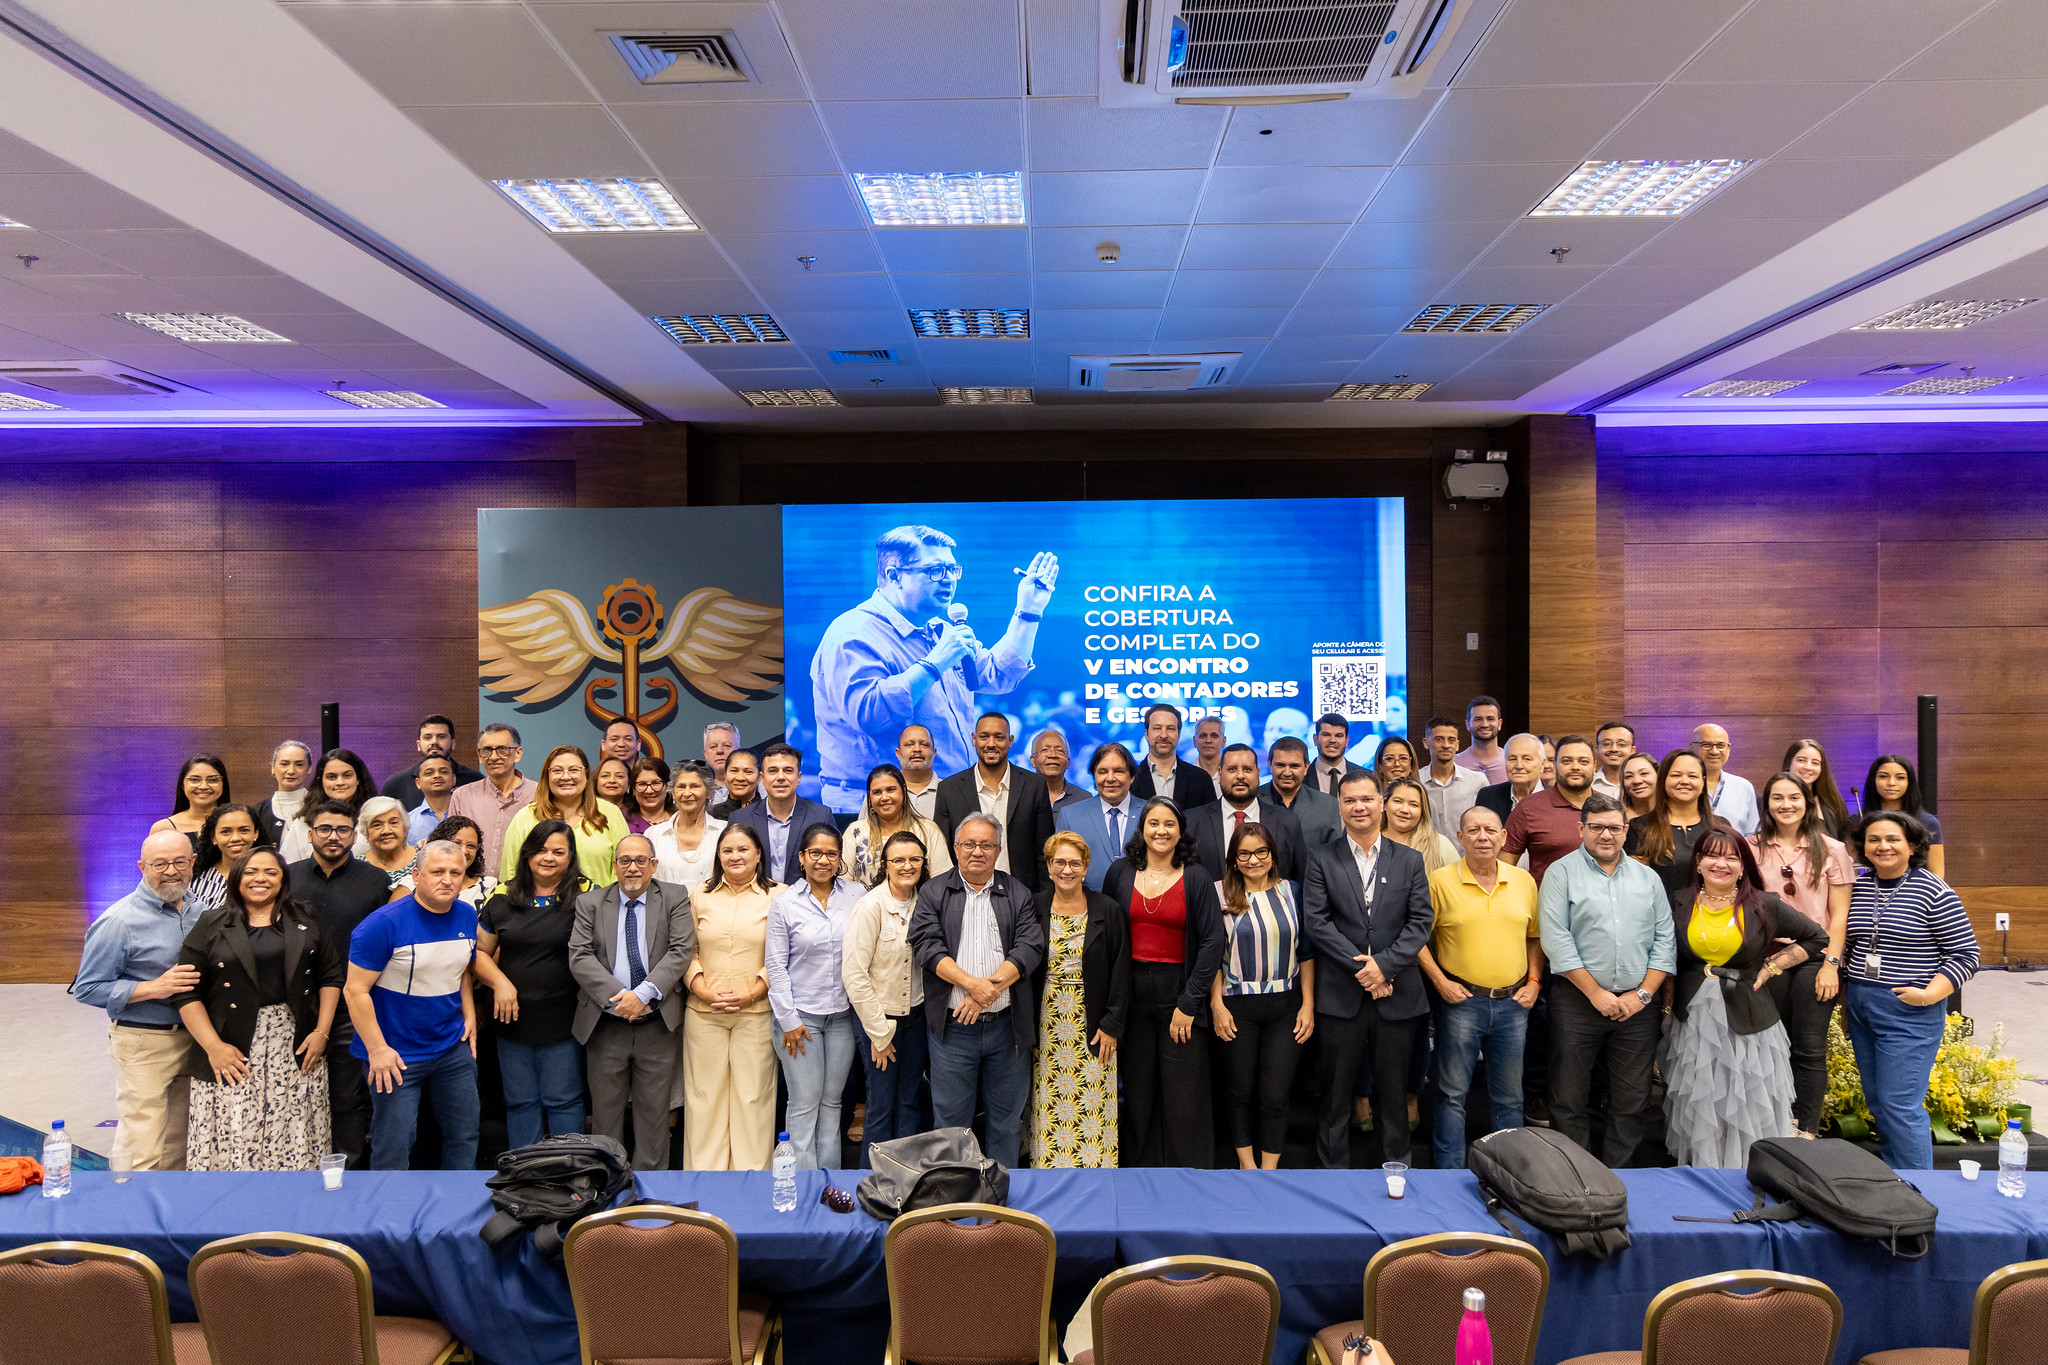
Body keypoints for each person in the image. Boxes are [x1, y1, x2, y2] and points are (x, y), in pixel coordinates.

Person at [810, 523, 1058, 808]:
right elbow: (870, 713)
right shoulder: (852, 634)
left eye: (953, 570)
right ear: (894, 575)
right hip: (880, 803)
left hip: (948, 797)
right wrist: (935, 663)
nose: (948, 579)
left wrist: (1029, 611)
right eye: (935, 570)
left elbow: (998, 675)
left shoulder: (940, 630)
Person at [346, 840, 516, 1170]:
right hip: (395, 1054)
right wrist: (378, 1050)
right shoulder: (382, 924)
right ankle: (389, 1204)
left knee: (465, 1135)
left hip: (451, 1048)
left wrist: (469, 1015)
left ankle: (457, 1203)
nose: (447, 880)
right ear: (416, 875)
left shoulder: (466, 914)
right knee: (395, 1144)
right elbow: (355, 991)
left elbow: (461, 969)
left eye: (455, 872)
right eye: (438, 872)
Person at [1663, 828, 1827, 1167]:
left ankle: (1749, 1175)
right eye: (1712, 855)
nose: (1720, 864)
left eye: (1731, 857)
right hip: (1694, 1021)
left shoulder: (1764, 904)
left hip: (1749, 1020)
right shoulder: (1678, 901)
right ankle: (1706, 1175)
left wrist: (1773, 965)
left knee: (1745, 1103)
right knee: (1702, 1102)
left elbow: (1817, 937)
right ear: (1698, 862)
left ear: (1742, 867)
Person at [172, 848, 343, 1171]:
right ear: (237, 878)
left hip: (294, 1041)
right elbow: (187, 992)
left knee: (293, 1124)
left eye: (270, 872)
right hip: (230, 1043)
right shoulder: (211, 923)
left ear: (283, 879)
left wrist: (322, 1032)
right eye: (251, 872)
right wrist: (213, 1047)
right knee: (235, 1126)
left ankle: (294, 1196)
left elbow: (331, 977)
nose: (260, 879)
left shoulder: (305, 919)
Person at [1302, 771, 1433, 1169]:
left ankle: (1396, 1173)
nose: (1358, 807)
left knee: (1393, 1096)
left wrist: (1385, 967)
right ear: (1339, 807)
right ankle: (1333, 1178)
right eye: (1349, 800)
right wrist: (1364, 970)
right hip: (1340, 995)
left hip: (1397, 995)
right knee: (1335, 1096)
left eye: (1366, 799)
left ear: (1381, 804)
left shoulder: (1409, 860)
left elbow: (1420, 922)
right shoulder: (1321, 858)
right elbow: (1317, 923)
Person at [1538, 794, 1675, 1168]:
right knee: (1568, 1097)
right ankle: (1577, 1176)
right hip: (1576, 1001)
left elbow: (1665, 941)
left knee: (1632, 1099)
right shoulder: (1561, 873)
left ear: (1626, 830)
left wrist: (1642, 994)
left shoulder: (1648, 879)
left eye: (1614, 827)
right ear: (1580, 828)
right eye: (1596, 827)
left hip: (1637, 1008)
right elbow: (1556, 940)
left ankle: (1620, 1175)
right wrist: (1596, 993)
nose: (1606, 834)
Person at [909, 812, 1045, 1169]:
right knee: (951, 1126)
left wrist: (989, 989)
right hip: (953, 1029)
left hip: (1007, 1028)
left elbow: (1030, 947)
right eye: (969, 844)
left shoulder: (1017, 892)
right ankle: (955, 1193)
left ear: (998, 851)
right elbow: (926, 947)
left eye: (986, 845)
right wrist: (972, 986)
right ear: (956, 848)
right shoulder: (934, 891)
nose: (977, 851)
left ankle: (1001, 1197)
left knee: (1006, 1123)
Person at [1842, 810, 1977, 1170]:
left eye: (1893, 839)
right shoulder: (1859, 886)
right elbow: (1851, 945)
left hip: (1909, 1010)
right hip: (1861, 1004)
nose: (1882, 846)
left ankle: (1919, 1191)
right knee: (1878, 1102)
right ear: (1863, 847)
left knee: (1899, 1105)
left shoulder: (1933, 890)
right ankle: (1896, 1183)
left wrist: (1928, 995)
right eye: (1873, 839)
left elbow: (1966, 954)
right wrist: (1847, 1002)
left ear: (1913, 846)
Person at [1104, 797, 1227, 1168]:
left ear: (1180, 831)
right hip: (1132, 994)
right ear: (1142, 828)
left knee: (1183, 1093)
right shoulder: (1120, 872)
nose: (1161, 831)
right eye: (1153, 823)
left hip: (1180, 992)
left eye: (1169, 824)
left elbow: (1212, 943)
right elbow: (1107, 935)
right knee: (1138, 1091)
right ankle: (1140, 1173)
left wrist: (1189, 1003)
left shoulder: (1197, 876)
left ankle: (1188, 1174)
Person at [72, 830, 203, 1170]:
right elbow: (88, 988)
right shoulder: (119, 921)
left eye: (179, 862)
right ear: (142, 867)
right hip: (144, 1042)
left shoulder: (200, 911)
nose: (171, 871)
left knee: (180, 1142)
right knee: (142, 1145)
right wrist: (153, 987)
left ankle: (169, 1204)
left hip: (194, 1038)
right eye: (160, 864)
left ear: (193, 862)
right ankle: (128, 1204)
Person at [1419, 805, 1541, 1169]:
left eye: (1490, 830)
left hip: (1514, 1002)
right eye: (1473, 831)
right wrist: (1441, 982)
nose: (1482, 837)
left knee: (1510, 1097)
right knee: (1451, 1094)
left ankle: (1511, 1172)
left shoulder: (1523, 881)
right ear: (1460, 838)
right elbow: (1416, 939)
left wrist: (1535, 981)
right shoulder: (1439, 881)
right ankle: (1448, 1174)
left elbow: (1534, 937)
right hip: (1461, 1002)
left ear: (1504, 837)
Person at [570, 833, 694, 1170]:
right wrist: (620, 999)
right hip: (606, 1024)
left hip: (657, 1024)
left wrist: (642, 994)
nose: (633, 867)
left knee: (655, 1117)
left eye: (641, 860)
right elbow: (580, 957)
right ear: (614, 866)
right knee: (606, 1116)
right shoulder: (591, 903)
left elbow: (681, 950)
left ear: (654, 865)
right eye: (624, 860)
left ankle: (650, 1190)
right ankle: (608, 1186)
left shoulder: (674, 897)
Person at [286, 798, 391, 1166]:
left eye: (343, 830)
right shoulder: (288, 877)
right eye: (325, 829)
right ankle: (301, 1165)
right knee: (295, 1090)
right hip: (295, 1003)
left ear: (354, 835)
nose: (333, 836)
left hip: (353, 1003)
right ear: (310, 834)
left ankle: (347, 1169)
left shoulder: (376, 881)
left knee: (348, 1095)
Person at [478, 821, 591, 1151]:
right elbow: (479, 953)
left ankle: (569, 1169)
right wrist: (500, 982)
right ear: (527, 854)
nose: (548, 858)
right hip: (511, 1018)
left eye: (558, 852)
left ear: (571, 857)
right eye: (541, 850)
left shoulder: (587, 897)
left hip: (564, 1018)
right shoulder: (502, 897)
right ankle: (524, 1171)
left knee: (563, 1100)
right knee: (520, 1102)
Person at [1752, 773, 1854, 1136]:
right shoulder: (1751, 847)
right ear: (1767, 805)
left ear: (1807, 802)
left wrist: (1831, 964)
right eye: (1777, 798)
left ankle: (1806, 1128)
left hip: (1817, 954)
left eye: (1794, 797)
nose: (1786, 805)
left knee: (1809, 1047)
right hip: (1769, 957)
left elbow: (1840, 914)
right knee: (1771, 1045)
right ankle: (1774, 1124)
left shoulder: (1832, 849)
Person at [1210, 821, 1311, 1170]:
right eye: (1244, 854)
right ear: (1234, 860)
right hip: (1235, 1005)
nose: (1253, 860)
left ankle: (1269, 1171)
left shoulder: (1292, 891)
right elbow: (1211, 954)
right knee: (1240, 1090)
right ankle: (1247, 1167)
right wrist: (1216, 1003)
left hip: (1287, 1005)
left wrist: (1308, 1005)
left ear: (1272, 854)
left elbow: (1307, 952)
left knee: (1275, 1094)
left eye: (1260, 851)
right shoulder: (1219, 893)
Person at [766, 824, 863, 1169]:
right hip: (800, 1018)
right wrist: (788, 1021)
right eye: (816, 853)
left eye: (831, 854)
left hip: (842, 1017)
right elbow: (775, 966)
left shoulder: (857, 895)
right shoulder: (784, 902)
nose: (823, 860)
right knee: (804, 1102)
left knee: (833, 1102)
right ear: (802, 857)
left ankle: (829, 1182)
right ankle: (803, 1185)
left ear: (839, 858)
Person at [1030, 830, 1129, 1168]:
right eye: (1059, 862)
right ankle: (1050, 1173)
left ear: (1086, 868)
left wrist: (1112, 1024)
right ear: (1049, 867)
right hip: (1047, 1021)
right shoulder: (1034, 907)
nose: (1067, 870)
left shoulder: (1107, 909)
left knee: (1092, 1102)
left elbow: (1121, 971)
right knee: (1050, 1102)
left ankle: (1095, 1174)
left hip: (1094, 1021)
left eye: (1075, 863)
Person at [683, 824, 778, 1170]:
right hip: (703, 1012)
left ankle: (750, 1180)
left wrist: (753, 993)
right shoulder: (699, 895)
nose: (735, 856)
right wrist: (702, 990)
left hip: (756, 1012)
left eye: (743, 849)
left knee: (753, 1098)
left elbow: (783, 954)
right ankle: (705, 1182)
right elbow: (686, 950)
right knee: (704, 1098)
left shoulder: (778, 895)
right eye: (727, 850)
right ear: (718, 856)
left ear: (758, 854)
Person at [844, 830, 934, 1163]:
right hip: (878, 1018)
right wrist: (879, 1034)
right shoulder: (870, 906)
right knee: (880, 1105)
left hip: (917, 1016)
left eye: (914, 859)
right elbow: (854, 975)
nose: (907, 866)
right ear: (885, 864)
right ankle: (873, 1181)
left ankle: (906, 1179)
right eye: (898, 860)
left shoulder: (928, 903)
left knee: (910, 1101)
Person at [934, 712, 1057, 891]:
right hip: (965, 894)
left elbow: (1045, 851)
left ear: (1010, 740)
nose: (991, 744)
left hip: (1023, 894)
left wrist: (1044, 899)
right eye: (984, 737)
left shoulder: (1034, 786)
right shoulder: (949, 789)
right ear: (974, 739)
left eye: (999, 737)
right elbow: (943, 853)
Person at [497, 745, 628, 886]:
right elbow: (510, 874)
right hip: (534, 900)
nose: (566, 777)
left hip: (600, 900)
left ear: (586, 774)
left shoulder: (610, 813)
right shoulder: (525, 817)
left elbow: (625, 866)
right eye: (557, 771)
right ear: (547, 776)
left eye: (574, 770)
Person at [1191, 743, 1309, 883]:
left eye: (1247, 769)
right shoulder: (1192, 822)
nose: (1240, 776)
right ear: (1220, 774)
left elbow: (1300, 880)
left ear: (1258, 774)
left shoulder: (1287, 822)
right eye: (1232, 769)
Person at [728, 743, 836, 887]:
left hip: (806, 899)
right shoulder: (740, 819)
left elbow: (832, 866)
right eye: (773, 771)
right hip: (756, 898)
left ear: (799, 777)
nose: (780, 777)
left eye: (788, 770)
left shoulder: (820, 816)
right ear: (762, 778)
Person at [1503, 735, 1599, 884]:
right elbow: (1504, 869)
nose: (1575, 766)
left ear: (1594, 766)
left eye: (1583, 761)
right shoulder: (1528, 807)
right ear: (1555, 765)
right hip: (1545, 897)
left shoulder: (1610, 808)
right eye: (1566, 761)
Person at [1626, 749, 1718, 904]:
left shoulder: (1720, 827)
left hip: (1714, 915)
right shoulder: (1641, 828)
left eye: (1692, 776)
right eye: (1676, 775)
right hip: (1662, 915)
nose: (1684, 781)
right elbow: (1637, 887)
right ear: (1663, 780)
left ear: (1703, 782)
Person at [448, 724, 537, 874]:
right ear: (479, 755)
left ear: (518, 753)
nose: (494, 757)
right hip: (472, 885)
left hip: (523, 886)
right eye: (487, 750)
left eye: (502, 749)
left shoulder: (539, 795)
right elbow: (451, 847)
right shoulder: (462, 796)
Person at [844, 763, 951, 885]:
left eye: (891, 790)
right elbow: (843, 884)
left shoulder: (928, 830)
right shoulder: (855, 832)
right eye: (877, 792)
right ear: (869, 797)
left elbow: (942, 883)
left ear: (903, 791)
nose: (884, 797)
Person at [1054, 742, 1140, 892]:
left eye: (1118, 771)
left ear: (1131, 776)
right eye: (1102, 772)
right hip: (1088, 903)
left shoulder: (1150, 813)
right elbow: (1061, 869)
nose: (1110, 778)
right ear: (1094, 776)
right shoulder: (1071, 816)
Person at [280, 749, 376, 862]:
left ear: (358, 779)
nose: (340, 782)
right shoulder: (304, 821)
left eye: (347, 775)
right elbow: (288, 866)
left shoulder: (374, 818)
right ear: (321, 780)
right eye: (331, 777)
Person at [647, 760, 727, 891]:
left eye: (695, 786)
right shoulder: (653, 835)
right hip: (665, 904)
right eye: (681, 787)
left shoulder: (724, 832)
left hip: (711, 903)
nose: (687, 793)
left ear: (709, 792)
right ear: (673, 793)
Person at [1863, 754, 1946, 880]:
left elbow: (1937, 874)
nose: (1891, 783)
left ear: (1909, 782)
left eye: (1900, 778)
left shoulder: (1928, 822)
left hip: (1917, 889)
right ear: (1873, 780)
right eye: (1883, 776)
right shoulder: (1857, 820)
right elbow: (1850, 866)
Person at [380, 714, 483, 809]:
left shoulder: (475, 781)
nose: (434, 742)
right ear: (418, 745)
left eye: (441, 737)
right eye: (428, 737)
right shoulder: (396, 784)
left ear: (453, 744)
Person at [391, 816, 497, 906]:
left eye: (471, 846)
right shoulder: (413, 882)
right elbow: (393, 918)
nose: (464, 851)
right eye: (457, 843)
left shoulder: (488, 886)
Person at [187, 804, 269, 918]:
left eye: (244, 830)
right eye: (226, 831)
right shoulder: (194, 877)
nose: (235, 838)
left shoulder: (270, 876)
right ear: (214, 837)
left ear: (256, 833)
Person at [1130, 703, 1214, 809]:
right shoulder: (1130, 779)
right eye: (1157, 728)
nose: (1164, 735)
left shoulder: (1201, 779)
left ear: (1179, 734)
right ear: (1146, 734)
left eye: (1170, 729)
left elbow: (1211, 818)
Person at [1262, 736, 1340, 849]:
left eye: (1294, 766)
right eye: (1280, 765)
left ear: (1306, 767)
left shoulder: (1328, 805)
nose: (1287, 773)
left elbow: (1334, 853)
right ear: (1270, 765)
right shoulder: (1252, 800)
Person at [1420, 717, 1487, 837]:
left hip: (1466, 849)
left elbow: (1488, 822)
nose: (1446, 745)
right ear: (1426, 743)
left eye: (1451, 740)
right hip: (1425, 848)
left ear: (1457, 745)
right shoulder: (1416, 781)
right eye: (1439, 739)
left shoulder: (1478, 781)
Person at [1383, 776, 1460, 875]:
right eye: (1397, 801)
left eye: (1413, 805)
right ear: (1384, 805)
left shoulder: (1440, 844)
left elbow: (1458, 881)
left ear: (1422, 811)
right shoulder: (1371, 841)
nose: (1404, 810)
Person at [1693, 723, 1759, 837]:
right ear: (1692, 747)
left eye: (1720, 745)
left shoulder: (1743, 787)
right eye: (1706, 745)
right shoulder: (1685, 786)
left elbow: (1752, 834)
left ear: (1728, 748)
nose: (1714, 751)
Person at [151, 754, 229, 846]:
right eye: (195, 780)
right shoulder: (164, 828)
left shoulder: (239, 822)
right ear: (182, 785)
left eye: (212, 780)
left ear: (223, 784)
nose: (203, 786)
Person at [1784, 739, 1852, 839]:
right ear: (1789, 763)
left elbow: (1843, 840)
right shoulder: (1769, 801)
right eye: (1801, 760)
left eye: (1815, 763)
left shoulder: (1833, 803)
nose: (1808, 767)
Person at [253, 740, 314, 850]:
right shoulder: (258, 812)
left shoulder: (322, 807)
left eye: (299, 765)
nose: (291, 771)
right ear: (273, 768)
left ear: (309, 768)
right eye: (284, 764)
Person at [1475, 733, 1544, 826]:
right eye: (1512, 759)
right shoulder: (1488, 796)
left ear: (1542, 764)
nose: (1519, 766)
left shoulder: (1557, 798)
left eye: (1527, 759)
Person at [357, 796, 418, 886]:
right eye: (377, 825)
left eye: (394, 823)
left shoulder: (424, 860)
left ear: (405, 828)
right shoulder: (357, 867)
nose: (386, 831)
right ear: (366, 832)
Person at [406, 755, 460, 845]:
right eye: (429, 773)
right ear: (418, 783)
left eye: (444, 772)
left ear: (454, 779)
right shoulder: (407, 822)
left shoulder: (467, 814)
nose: (437, 776)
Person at [1034, 728, 1091, 811]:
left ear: (1068, 762)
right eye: (1045, 750)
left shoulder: (1084, 799)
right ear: (1033, 761)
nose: (1053, 755)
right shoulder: (1020, 795)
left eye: (1059, 751)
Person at [1312, 713, 1369, 796]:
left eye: (1339, 736)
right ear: (1315, 739)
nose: (1332, 740)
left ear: (1346, 741)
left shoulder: (1367, 777)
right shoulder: (1301, 777)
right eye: (1326, 735)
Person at [1454, 697, 1507, 785]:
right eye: (1478, 719)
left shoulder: (1511, 762)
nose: (1485, 725)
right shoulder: (1454, 764)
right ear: (1468, 725)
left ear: (1499, 724)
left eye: (1490, 719)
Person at [896, 724, 942, 820]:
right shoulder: (882, 793)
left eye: (924, 744)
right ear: (898, 753)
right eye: (909, 744)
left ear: (934, 753)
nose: (917, 749)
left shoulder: (950, 792)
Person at [624, 755, 673, 836]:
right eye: (642, 784)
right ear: (633, 789)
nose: (649, 791)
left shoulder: (680, 819)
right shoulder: (622, 820)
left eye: (656, 783)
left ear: (667, 786)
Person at [709, 747, 760, 820]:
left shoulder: (769, 813)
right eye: (734, 771)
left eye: (748, 772)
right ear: (725, 775)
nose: (740, 778)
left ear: (760, 777)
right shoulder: (710, 816)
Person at [1591, 722, 1636, 800]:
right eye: (1606, 744)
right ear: (1597, 749)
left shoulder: (1641, 784)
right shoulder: (1587, 785)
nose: (1614, 749)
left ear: (1632, 750)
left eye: (1621, 744)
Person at [702, 721, 741, 805]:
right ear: (705, 754)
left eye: (727, 746)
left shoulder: (758, 789)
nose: (719, 751)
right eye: (713, 746)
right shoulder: (697, 791)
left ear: (739, 752)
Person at [1192, 716, 1227, 801]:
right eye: (1203, 736)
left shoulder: (1233, 775)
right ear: (1195, 741)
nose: (1208, 740)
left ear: (1223, 741)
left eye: (1214, 736)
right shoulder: (1185, 776)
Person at [1619, 752, 1658, 820]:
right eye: (1629, 776)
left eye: (1644, 773)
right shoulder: (1616, 817)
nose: (1636, 781)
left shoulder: (1673, 814)